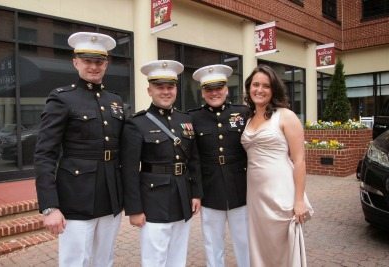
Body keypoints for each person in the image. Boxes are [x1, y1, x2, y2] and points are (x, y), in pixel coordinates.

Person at [34, 32, 125, 267]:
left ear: (106, 64)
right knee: (76, 261)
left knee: (104, 260)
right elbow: (45, 153)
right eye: (87, 61)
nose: (94, 67)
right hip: (76, 195)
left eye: (99, 62)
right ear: (76, 62)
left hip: (111, 193)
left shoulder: (114, 100)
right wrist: (50, 206)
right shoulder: (62, 99)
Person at [121, 60, 203, 267]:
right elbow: (129, 170)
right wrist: (134, 209)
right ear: (149, 90)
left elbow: (193, 160)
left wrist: (196, 193)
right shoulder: (137, 123)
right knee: (155, 259)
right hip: (153, 200)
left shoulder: (184, 120)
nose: (166, 91)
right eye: (160, 87)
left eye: (170, 86)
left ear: (176, 89)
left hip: (182, 196)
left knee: (178, 257)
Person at [240, 64, 314, 266]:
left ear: (274, 90)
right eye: (255, 85)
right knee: (260, 244)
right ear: (249, 88)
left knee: (283, 246)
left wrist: (298, 200)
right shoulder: (248, 118)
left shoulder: (286, 116)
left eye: (266, 85)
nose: (260, 90)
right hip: (255, 195)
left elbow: (299, 160)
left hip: (281, 192)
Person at [188, 64, 250, 267]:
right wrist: (196, 192)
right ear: (203, 92)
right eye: (208, 89)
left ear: (226, 89)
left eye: (218, 88)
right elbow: (193, 158)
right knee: (212, 242)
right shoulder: (193, 118)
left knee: (245, 240)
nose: (214, 93)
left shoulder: (243, 113)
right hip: (210, 188)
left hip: (240, 188)